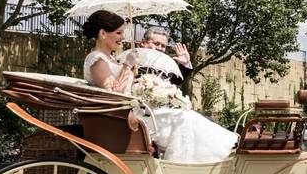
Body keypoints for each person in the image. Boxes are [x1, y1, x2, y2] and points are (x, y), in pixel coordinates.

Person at [82, 10, 237, 163]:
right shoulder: (96, 59)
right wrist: (127, 66)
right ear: (103, 33)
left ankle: (221, 152)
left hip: (137, 110)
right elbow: (112, 94)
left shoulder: (112, 59)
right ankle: (183, 167)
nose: (122, 38)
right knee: (184, 119)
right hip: (124, 116)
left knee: (187, 116)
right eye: (118, 33)